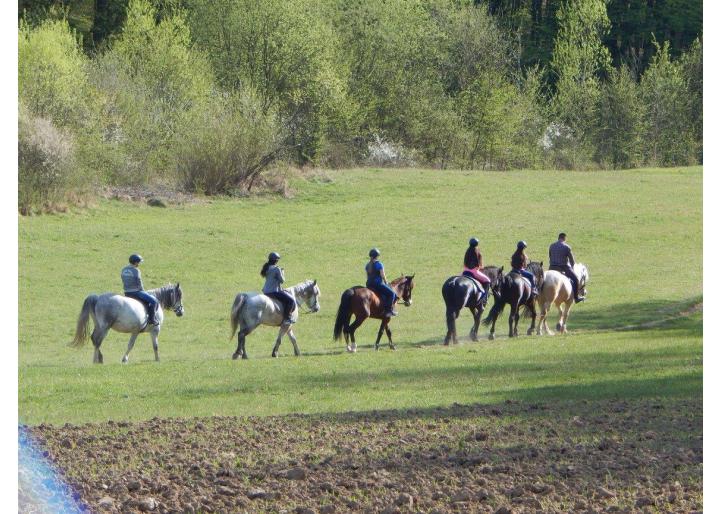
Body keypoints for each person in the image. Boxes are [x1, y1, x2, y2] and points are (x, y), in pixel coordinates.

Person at [121, 254, 159, 325]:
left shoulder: (124, 269)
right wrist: (143, 291)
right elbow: (139, 282)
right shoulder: (136, 270)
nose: (139, 264)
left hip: (126, 292)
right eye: (139, 262)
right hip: (136, 292)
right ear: (135, 262)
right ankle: (152, 319)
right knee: (154, 301)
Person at [261, 252, 296, 324]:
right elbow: (282, 280)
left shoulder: (266, 268)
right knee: (291, 300)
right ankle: (287, 318)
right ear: (276, 261)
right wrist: (282, 272)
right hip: (274, 291)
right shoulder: (277, 269)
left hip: (265, 291)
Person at [548, 232, 584, 302]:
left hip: (552, 267)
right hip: (563, 267)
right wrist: (572, 267)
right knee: (576, 279)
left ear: (558, 238)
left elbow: (550, 256)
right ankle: (576, 298)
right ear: (564, 238)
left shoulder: (551, 246)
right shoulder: (567, 247)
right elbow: (572, 261)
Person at [365, 248, 397, 317]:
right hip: (378, 284)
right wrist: (386, 283)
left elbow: (367, 277)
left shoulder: (367, 265)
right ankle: (388, 311)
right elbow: (383, 275)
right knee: (392, 294)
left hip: (369, 284)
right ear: (377, 256)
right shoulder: (379, 264)